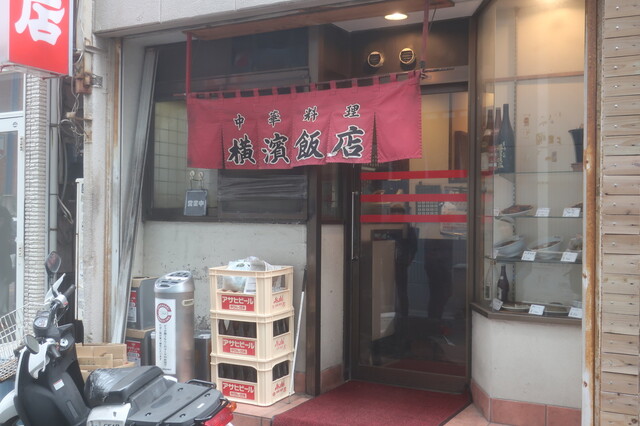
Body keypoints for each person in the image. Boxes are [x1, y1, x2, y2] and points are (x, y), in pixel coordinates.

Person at [0, 206, 15, 316]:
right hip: (4, 261)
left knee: (4, 283)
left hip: (3, 262)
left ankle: (3, 310)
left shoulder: (5, 233)